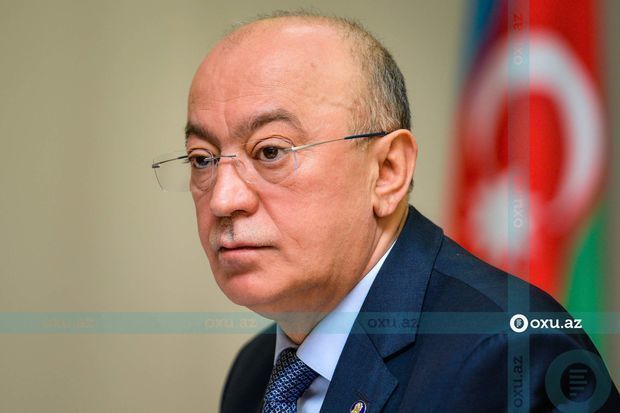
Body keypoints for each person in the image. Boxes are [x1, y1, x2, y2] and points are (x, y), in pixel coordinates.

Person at [152, 11, 620, 413]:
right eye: (202, 159)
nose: (223, 200)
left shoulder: (511, 354)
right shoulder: (255, 371)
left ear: (387, 172)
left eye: (270, 151)